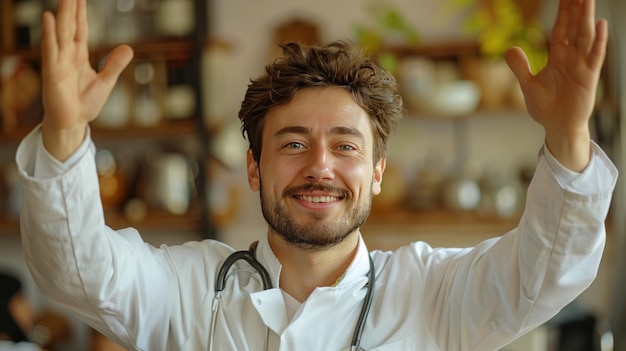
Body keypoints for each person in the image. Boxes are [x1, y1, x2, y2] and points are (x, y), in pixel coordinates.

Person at [15, 0, 617, 349]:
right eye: (294, 143)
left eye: (346, 146)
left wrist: (567, 139)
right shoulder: (188, 288)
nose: (320, 167)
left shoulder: (435, 294)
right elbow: (79, 274)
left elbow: (546, 277)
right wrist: (65, 137)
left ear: (377, 173)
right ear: (254, 167)